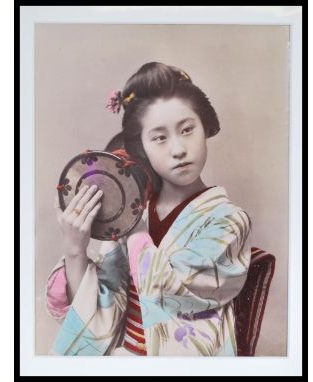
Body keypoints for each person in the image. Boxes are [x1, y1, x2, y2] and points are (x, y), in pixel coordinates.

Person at [45, 62, 252, 356]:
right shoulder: (138, 217)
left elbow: (174, 292)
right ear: (141, 147)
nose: (178, 149)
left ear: (205, 127)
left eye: (187, 130)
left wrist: (135, 233)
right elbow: (95, 313)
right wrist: (76, 249)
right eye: (159, 137)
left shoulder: (229, 221)